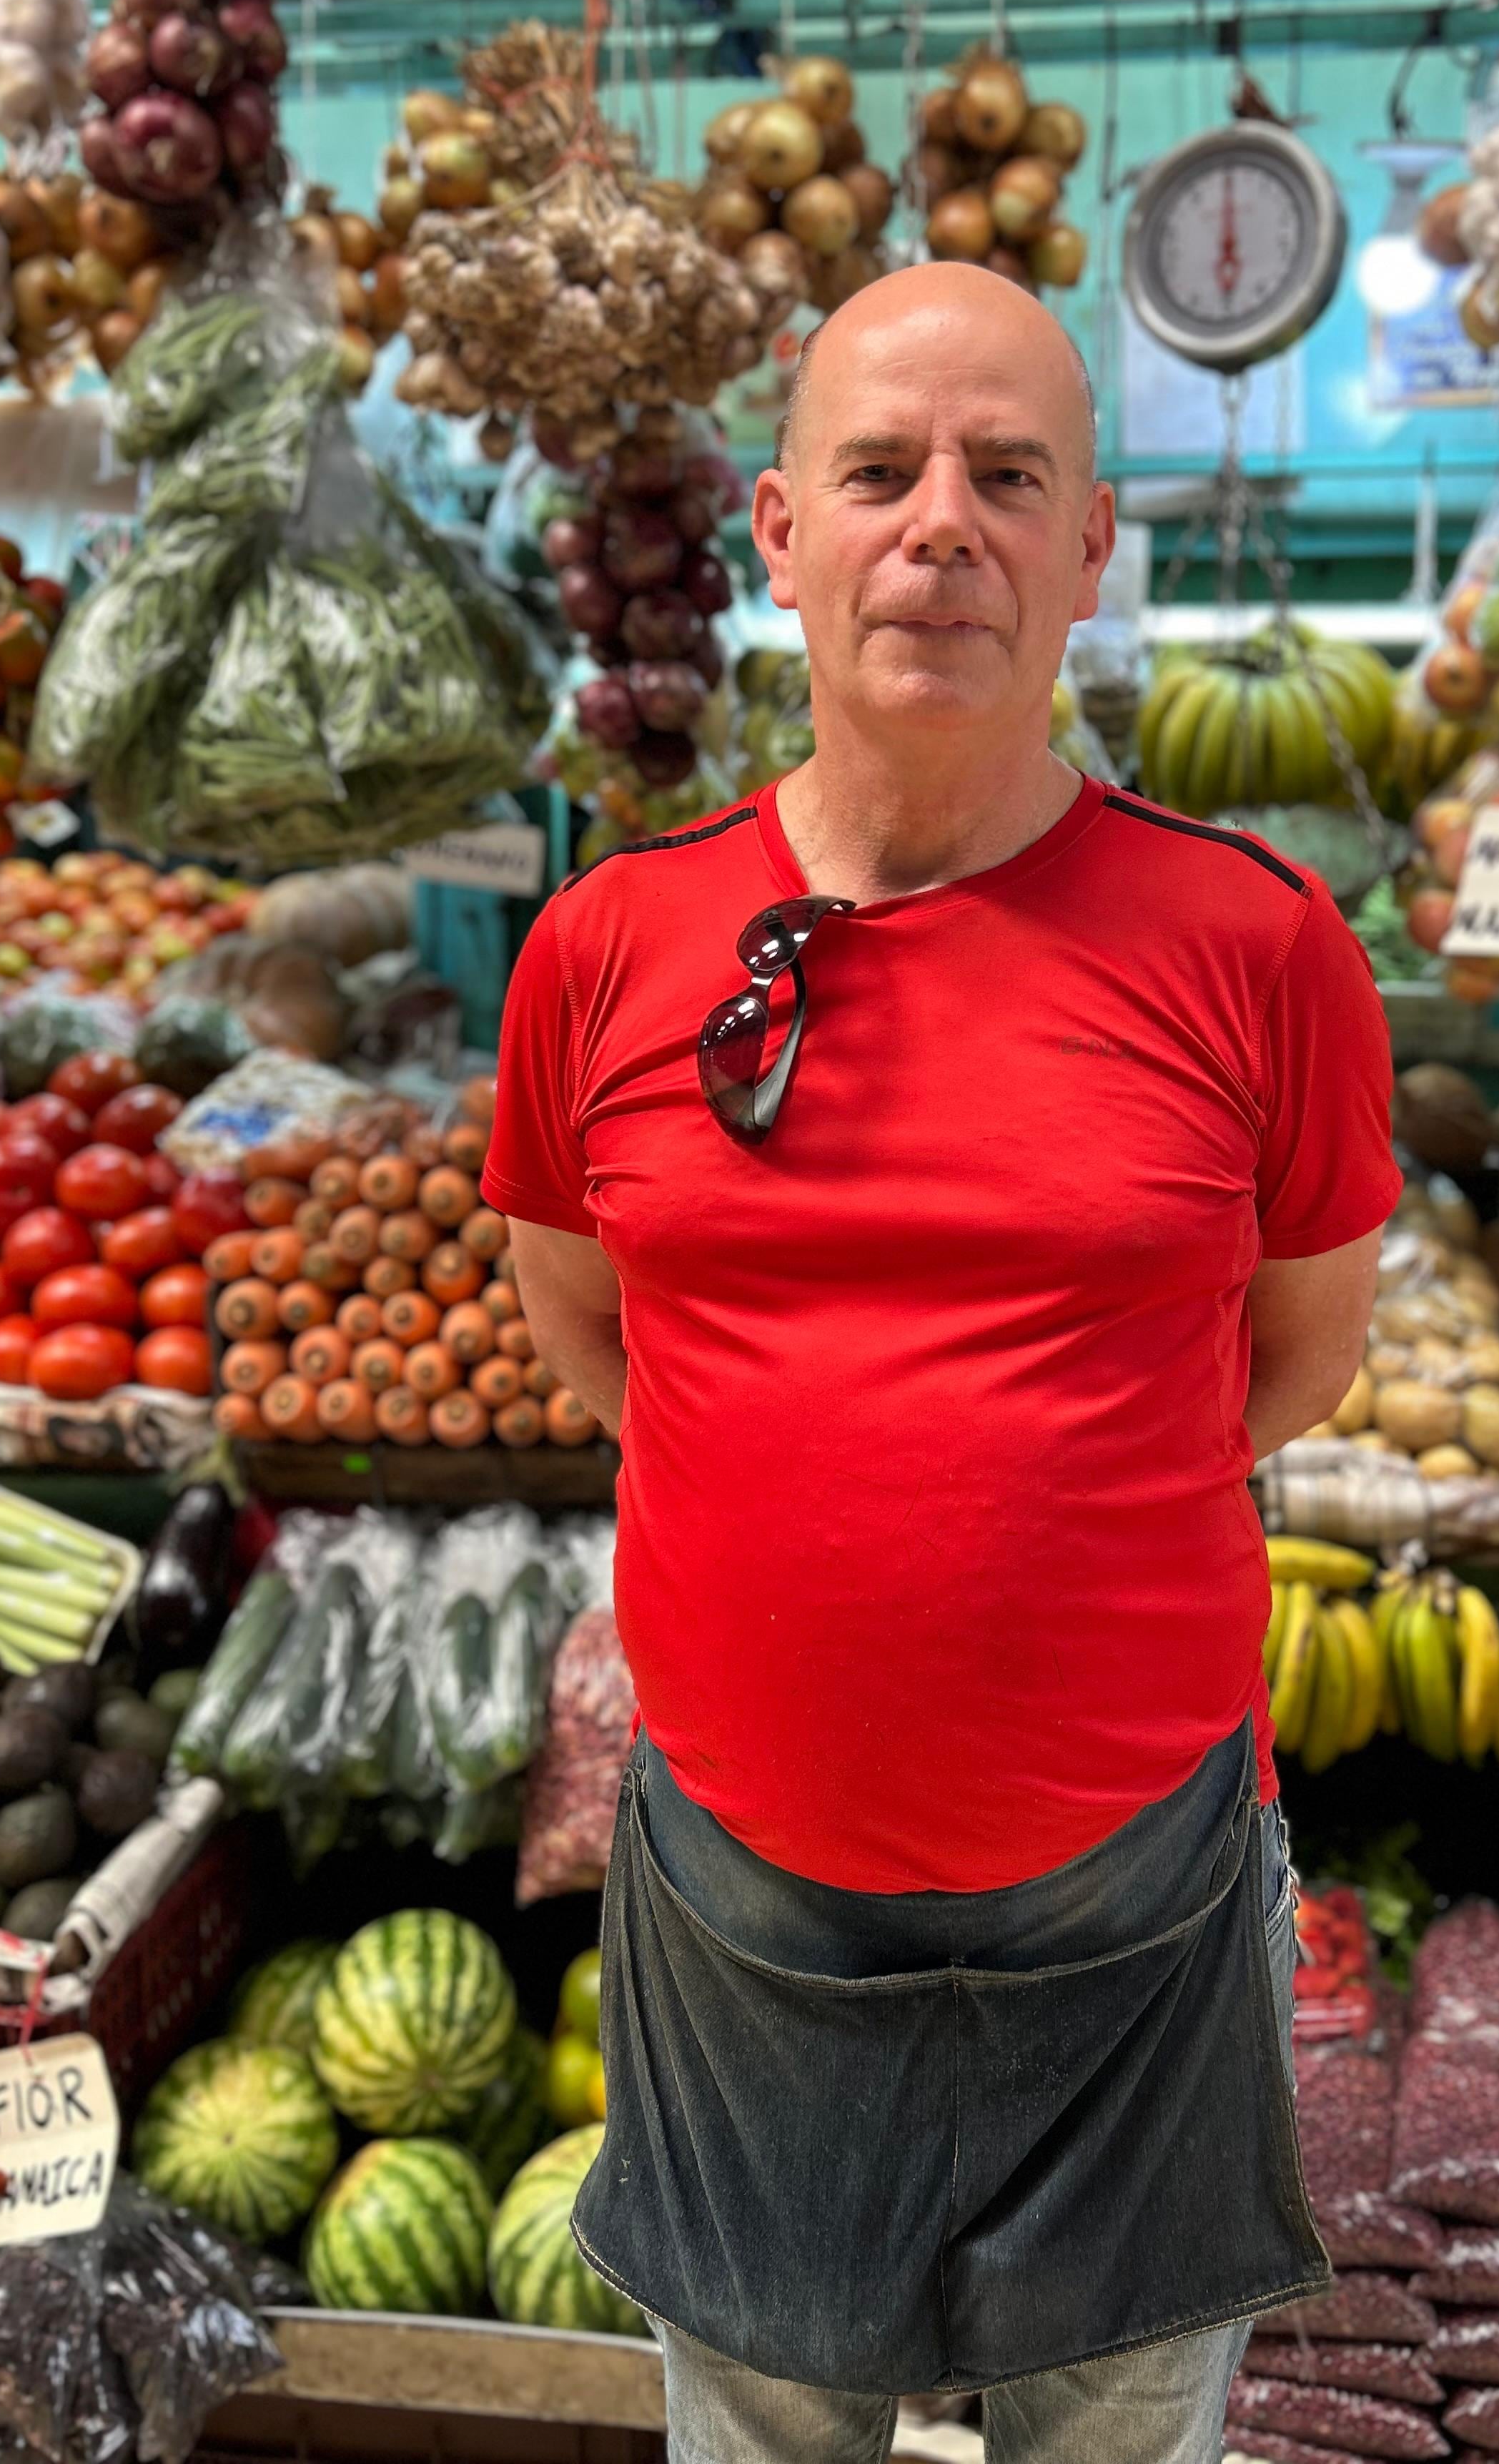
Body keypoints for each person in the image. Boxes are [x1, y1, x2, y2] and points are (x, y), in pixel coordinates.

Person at [487, 262, 1398, 2464]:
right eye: (882, 473)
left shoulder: (1261, 948)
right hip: (741, 1883)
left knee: (1116, 2435)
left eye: (1010, 477)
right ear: (780, 534)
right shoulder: (605, 944)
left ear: (1093, 546)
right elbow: (586, 1323)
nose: (943, 528)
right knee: (763, 2434)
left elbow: (1291, 1368)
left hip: (1137, 1888)